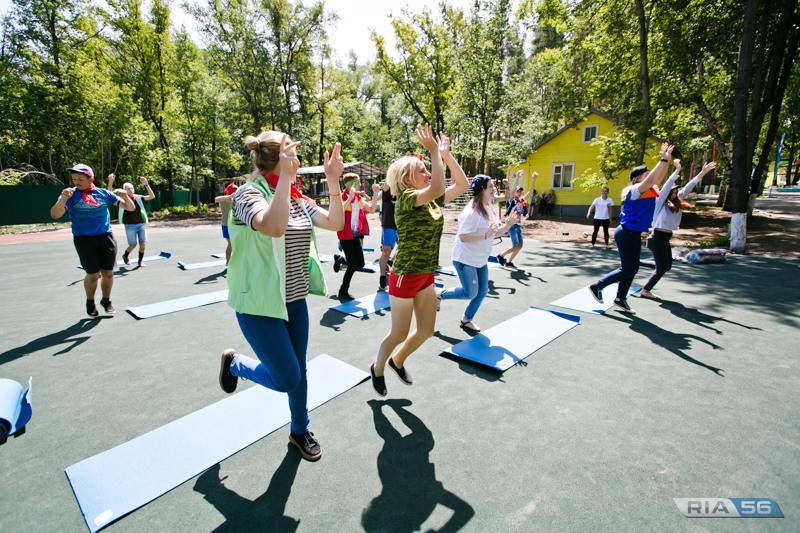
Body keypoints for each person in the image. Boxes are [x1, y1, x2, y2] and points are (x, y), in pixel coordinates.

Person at [217, 131, 344, 462]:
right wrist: (286, 180)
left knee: (298, 370)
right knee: (288, 378)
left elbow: (335, 222)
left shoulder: (298, 197)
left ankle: (299, 431)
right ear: (278, 159)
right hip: (259, 306)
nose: (299, 160)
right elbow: (273, 226)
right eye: (292, 153)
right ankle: (236, 365)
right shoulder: (247, 196)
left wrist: (333, 181)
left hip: (294, 300)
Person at [370, 125, 469, 396]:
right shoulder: (406, 198)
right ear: (406, 177)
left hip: (426, 273)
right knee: (399, 334)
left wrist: (446, 155)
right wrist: (434, 153)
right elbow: (438, 184)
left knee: (426, 331)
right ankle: (377, 367)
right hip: (404, 275)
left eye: (427, 168)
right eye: (421, 170)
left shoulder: (432, 201)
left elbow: (462, 185)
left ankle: (397, 361)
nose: (427, 172)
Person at [588, 143, 675, 314]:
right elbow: (652, 180)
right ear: (638, 178)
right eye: (646, 174)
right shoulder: (635, 190)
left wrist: (667, 159)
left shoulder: (649, 189)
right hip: (626, 234)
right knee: (629, 268)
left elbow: (657, 179)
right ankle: (597, 286)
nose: (650, 176)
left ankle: (620, 298)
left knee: (632, 268)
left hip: (633, 235)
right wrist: (663, 158)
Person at [50, 164, 135, 317]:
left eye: (80, 179)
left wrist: (125, 196)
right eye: (74, 179)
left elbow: (130, 208)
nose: (76, 182)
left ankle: (106, 300)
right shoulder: (70, 195)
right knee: (93, 274)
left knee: (108, 273)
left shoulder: (103, 193)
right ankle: (90, 302)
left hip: (105, 237)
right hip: (84, 239)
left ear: (91, 179)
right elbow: (55, 215)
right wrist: (63, 199)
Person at [438, 175, 517, 332]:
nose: (494, 189)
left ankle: (466, 319)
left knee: (481, 292)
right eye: (490, 186)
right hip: (465, 259)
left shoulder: (487, 206)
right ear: (481, 190)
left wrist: (507, 226)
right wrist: (486, 235)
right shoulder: (471, 212)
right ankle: (439, 294)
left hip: (480, 259)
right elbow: (464, 237)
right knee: (469, 293)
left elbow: (494, 233)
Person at [638, 160, 717, 300]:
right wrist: (677, 170)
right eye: (673, 192)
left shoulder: (675, 202)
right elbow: (666, 186)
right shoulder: (659, 202)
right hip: (657, 238)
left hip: (665, 238)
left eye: (675, 192)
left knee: (667, 267)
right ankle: (645, 290)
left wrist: (703, 172)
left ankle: (639, 263)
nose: (675, 194)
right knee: (662, 268)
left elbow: (688, 187)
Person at [332, 173, 378, 300]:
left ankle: (341, 259)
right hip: (345, 235)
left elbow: (372, 209)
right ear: (350, 184)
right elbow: (338, 210)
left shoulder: (357, 198)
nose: (360, 184)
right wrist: (349, 198)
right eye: (358, 182)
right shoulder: (342, 196)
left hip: (355, 234)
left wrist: (375, 193)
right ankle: (343, 291)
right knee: (352, 266)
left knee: (360, 264)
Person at [107, 174, 155, 267]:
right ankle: (125, 255)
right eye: (128, 188)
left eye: (132, 188)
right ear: (124, 190)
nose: (131, 190)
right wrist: (110, 182)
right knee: (133, 245)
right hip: (130, 225)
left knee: (143, 243)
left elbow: (152, 196)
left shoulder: (138, 197)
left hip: (141, 224)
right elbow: (109, 194)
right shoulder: (121, 199)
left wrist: (146, 184)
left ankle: (140, 261)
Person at [496, 170, 529, 269]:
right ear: (514, 192)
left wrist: (533, 179)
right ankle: (501, 255)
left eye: (520, 191)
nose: (519, 193)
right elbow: (513, 188)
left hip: (518, 226)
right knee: (515, 245)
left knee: (520, 246)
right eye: (517, 191)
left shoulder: (521, 201)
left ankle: (509, 262)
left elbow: (530, 192)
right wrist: (518, 177)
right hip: (512, 225)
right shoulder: (511, 200)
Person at [376, 179, 398, 291]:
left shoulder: (405, 189)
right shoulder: (387, 189)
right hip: (389, 225)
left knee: (404, 249)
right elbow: (387, 184)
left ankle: (392, 262)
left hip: (402, 225)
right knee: (386, 252)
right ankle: (382, 277)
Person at [214, 182, 239, 265]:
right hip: (226, 225)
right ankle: (228, 262)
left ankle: (234, 261)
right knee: (231, 244)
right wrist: (230, 196)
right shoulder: (224, 200)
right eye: (235, 189)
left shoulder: (237, 200)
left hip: (235, 225)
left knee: (236, 244)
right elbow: (216, 199)